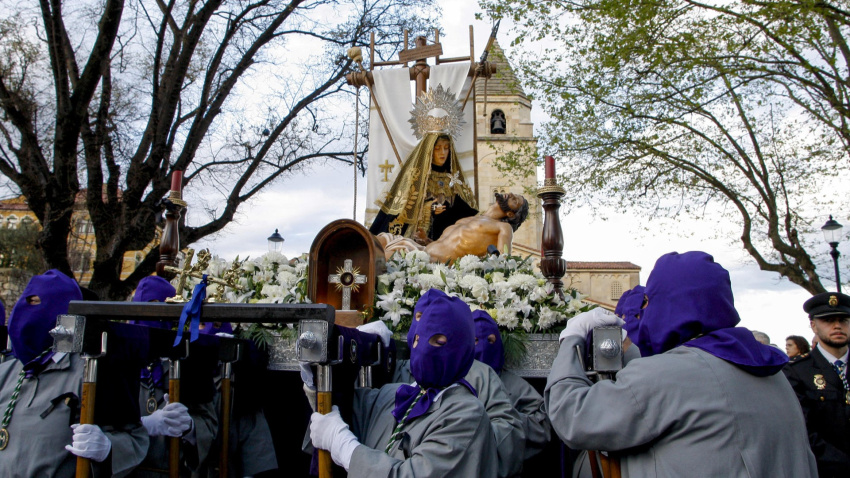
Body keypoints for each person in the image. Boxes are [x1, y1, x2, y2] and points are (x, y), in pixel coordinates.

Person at [546, 251, 817, 477]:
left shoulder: (669, 373)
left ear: (669, 304)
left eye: (650, 301)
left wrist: (571, 341)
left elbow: (574, 417)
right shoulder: (772, 371)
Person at [307, 293, 497, 477]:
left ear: (462, 350)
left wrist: (343, 446)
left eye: (438, 342)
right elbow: (340, 406)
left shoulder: (467, 414)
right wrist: (312, 371)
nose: (423, 350)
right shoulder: (396, 395)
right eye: (418, 340)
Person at [0, 270, 148, 477]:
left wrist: (108, 448)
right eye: (26, 302)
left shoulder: (94, 371)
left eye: (37, 303)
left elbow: (135, 439)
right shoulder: (6, 371)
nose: (26, 311)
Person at [390, 289, 526, 477]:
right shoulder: (395, 376)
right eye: (420, 317)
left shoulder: (481, 374)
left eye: (439, 339)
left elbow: (507, 430)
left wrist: (467, 438)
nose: (426, 326)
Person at [130, 275, 219, 477]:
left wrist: (190, 428)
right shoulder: (119, 362)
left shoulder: (192, 362)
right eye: (146, 305)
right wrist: (141, 426)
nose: (153, 312)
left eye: (160, 305)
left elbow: (210, 427)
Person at [472, 310, 550, 469]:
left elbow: (542, 429)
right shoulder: (451, 381)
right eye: (474, 340)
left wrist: (509, 419)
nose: (482, 347)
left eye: (490, 340)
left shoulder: (517, 386)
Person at [784, 292, 850, 477]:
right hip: (826, 470)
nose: (837, 326)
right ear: (813, 325)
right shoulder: (797, 372)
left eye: (843, 320)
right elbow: (802, 431)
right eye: (828, 320)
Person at [370, 133, 477, 242]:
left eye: (446, 148)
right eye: (437, 149)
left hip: (445, 236)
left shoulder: (453, 179)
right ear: (429, 151)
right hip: (418, 234)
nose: (443, 153)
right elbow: (409, 206)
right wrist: (431, 207)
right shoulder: (417, 177)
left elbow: (461, 208)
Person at [377, 192, 529, 263]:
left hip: (432, 264)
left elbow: (503, 262)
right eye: (514, 194)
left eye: (515, 200)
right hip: (421, 250)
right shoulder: (470, 219)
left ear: (510, 213)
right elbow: (445, 243)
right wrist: (426, 240)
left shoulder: (503, 228)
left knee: (383, 257)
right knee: (378, 240)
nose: (510, 194)